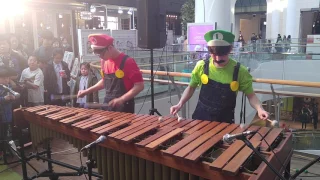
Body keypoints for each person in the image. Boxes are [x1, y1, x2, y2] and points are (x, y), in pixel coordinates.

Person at [170, 30, 269, 123]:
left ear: (230, 49)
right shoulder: (201, 66)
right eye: (214, 54)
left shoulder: (240, 71)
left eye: (222, 54)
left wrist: (260, 110)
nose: (217, 58)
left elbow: (251, 96)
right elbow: (191, 87)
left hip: (224, 122)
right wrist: (180, 104)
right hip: (200, 119)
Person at [77, 34, 144, 113]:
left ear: (110, 48)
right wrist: (86, 91)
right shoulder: (104, 61)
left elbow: (139, 86)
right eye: (98, 55)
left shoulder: (128, 62)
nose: (100, 57)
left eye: (101, 54)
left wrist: (121, 99)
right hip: (108, 104)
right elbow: (104, 82)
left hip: (124, 106)